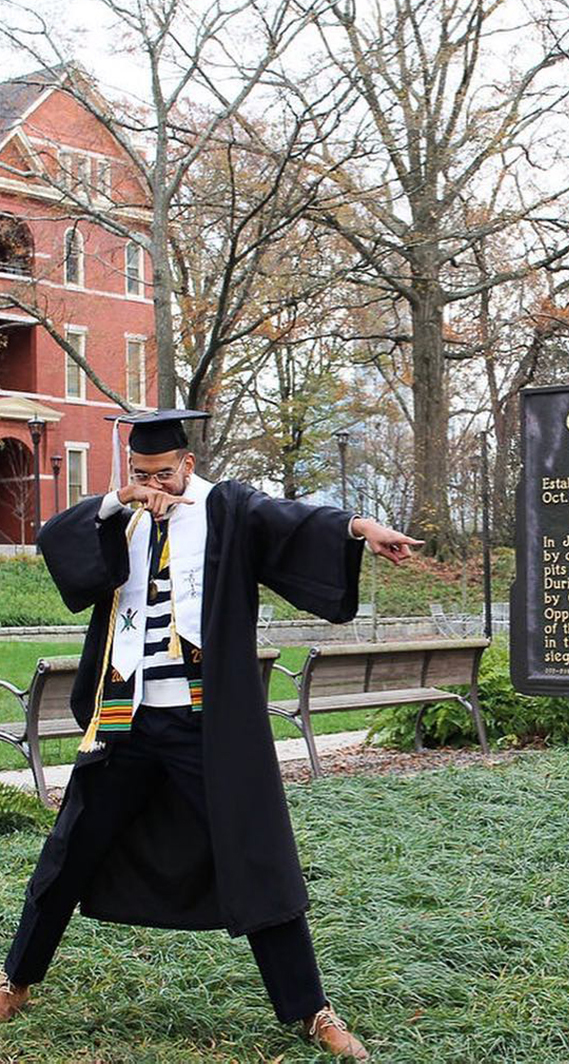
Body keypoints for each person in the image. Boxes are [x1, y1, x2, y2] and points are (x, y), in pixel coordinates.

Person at [0, 410, 421, 1060]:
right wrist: (119, 497)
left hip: (203, 725)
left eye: (162, 473)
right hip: (125, 716)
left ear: (188, 465)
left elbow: (292, 520)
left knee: (256, 854)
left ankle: (312, 1010)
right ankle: (16, 980)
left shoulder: (224, 511)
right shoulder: (124, 516)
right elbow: (62, 543)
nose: (154, 485)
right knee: (67, 849)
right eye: (141, 474)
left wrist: (359, 527)